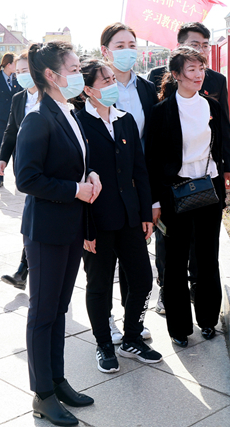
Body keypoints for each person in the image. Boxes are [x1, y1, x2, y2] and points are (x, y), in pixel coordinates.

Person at [15, 41, 102, 426]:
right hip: (46, 230)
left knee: (59, 309)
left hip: (70, 226)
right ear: (51, 75)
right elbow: (26, 178)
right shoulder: (37, 118)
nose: (80, 75)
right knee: (43, 313)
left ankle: (57, 381)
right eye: (74, 69)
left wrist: (90, 175)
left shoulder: (69, 111)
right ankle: (43, 395)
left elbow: (75, 162)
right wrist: (74, 190)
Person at [75, 59, 162, 373]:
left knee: (142, 279)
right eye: (106, 81)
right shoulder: (77, 123)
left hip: (129, 217)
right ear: (88, 90)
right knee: (99, 286)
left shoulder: (125, 120)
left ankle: (132, 338)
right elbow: (77, 175)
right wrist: (84, 228)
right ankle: (103, 343)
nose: (114, 85)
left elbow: (139, 169)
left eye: (114, 78)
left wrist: (145, 212)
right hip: (96, 221)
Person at [148, 22, 230, 314]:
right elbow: (155, 151)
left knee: (207, 253)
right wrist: (155, 197)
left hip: (208, 183)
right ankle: (175, 311)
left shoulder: (214, 95)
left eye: (202, 67)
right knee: (173, 252)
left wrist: (229, 167)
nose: (199, 73)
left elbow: (223, 132)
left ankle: (206, 310)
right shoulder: (160, 100)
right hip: (174, 186)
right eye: (192, 68)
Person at [99, 22, 158, 343]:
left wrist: (152, 198)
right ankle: (105, 320)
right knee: (102, 263)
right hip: (103, 189)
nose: (127, 51)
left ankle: (132, 318)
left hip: (136, 187)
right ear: (105, 51)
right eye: (119, 46)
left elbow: (152, 143)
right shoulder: (92, 88)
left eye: (132, 45)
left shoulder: (147, 89)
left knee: (134, 261)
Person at [0, 50, 39, 290]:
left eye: (27, 71)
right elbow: (10, 131)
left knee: (32, 218)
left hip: (49, 167)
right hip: (26, 167)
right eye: (19, 71)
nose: (22, 75)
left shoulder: (52, 96)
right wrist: (2, 159)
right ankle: (25, 270)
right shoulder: (18, 98)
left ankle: (24, 269)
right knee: (32, 217)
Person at [0, 52, 22, 188]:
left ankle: (18, 177)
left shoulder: (18, 78)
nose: (17, 66)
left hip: (16, 118)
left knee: (16, 149)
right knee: (0, 147)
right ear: (8, 64)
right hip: (0, 118)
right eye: (15, 63)